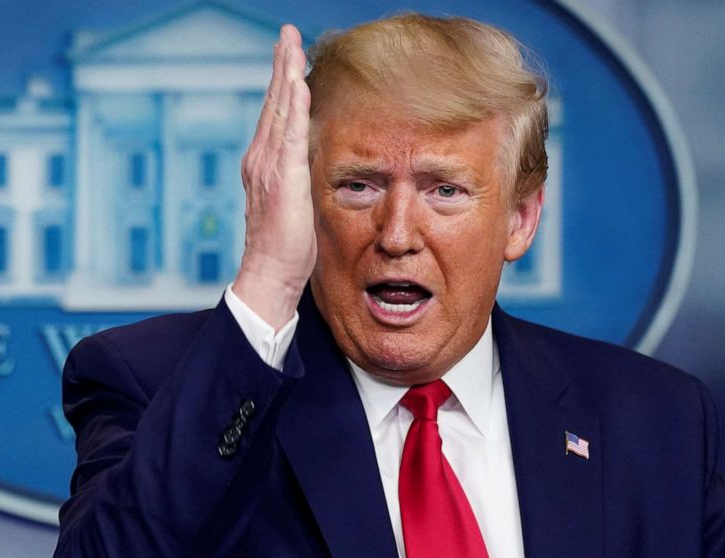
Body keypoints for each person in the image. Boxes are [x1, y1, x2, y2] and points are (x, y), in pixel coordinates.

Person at [52, 13, 725, 558]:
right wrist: (266, 275)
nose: (397, 233)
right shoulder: (156, 382)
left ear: (520, 220)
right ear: (300, 199)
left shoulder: (659, 423)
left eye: (445, 189)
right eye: (358, 185)